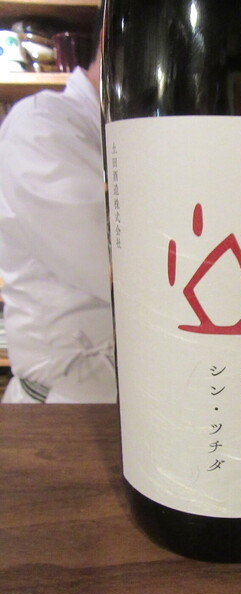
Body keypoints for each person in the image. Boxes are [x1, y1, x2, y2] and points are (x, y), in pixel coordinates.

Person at [0, 13, 116, 403]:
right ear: (113, 39)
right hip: (65, 402)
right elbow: (108, 260)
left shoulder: (127, 137)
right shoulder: (40, 125)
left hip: (124, 395)